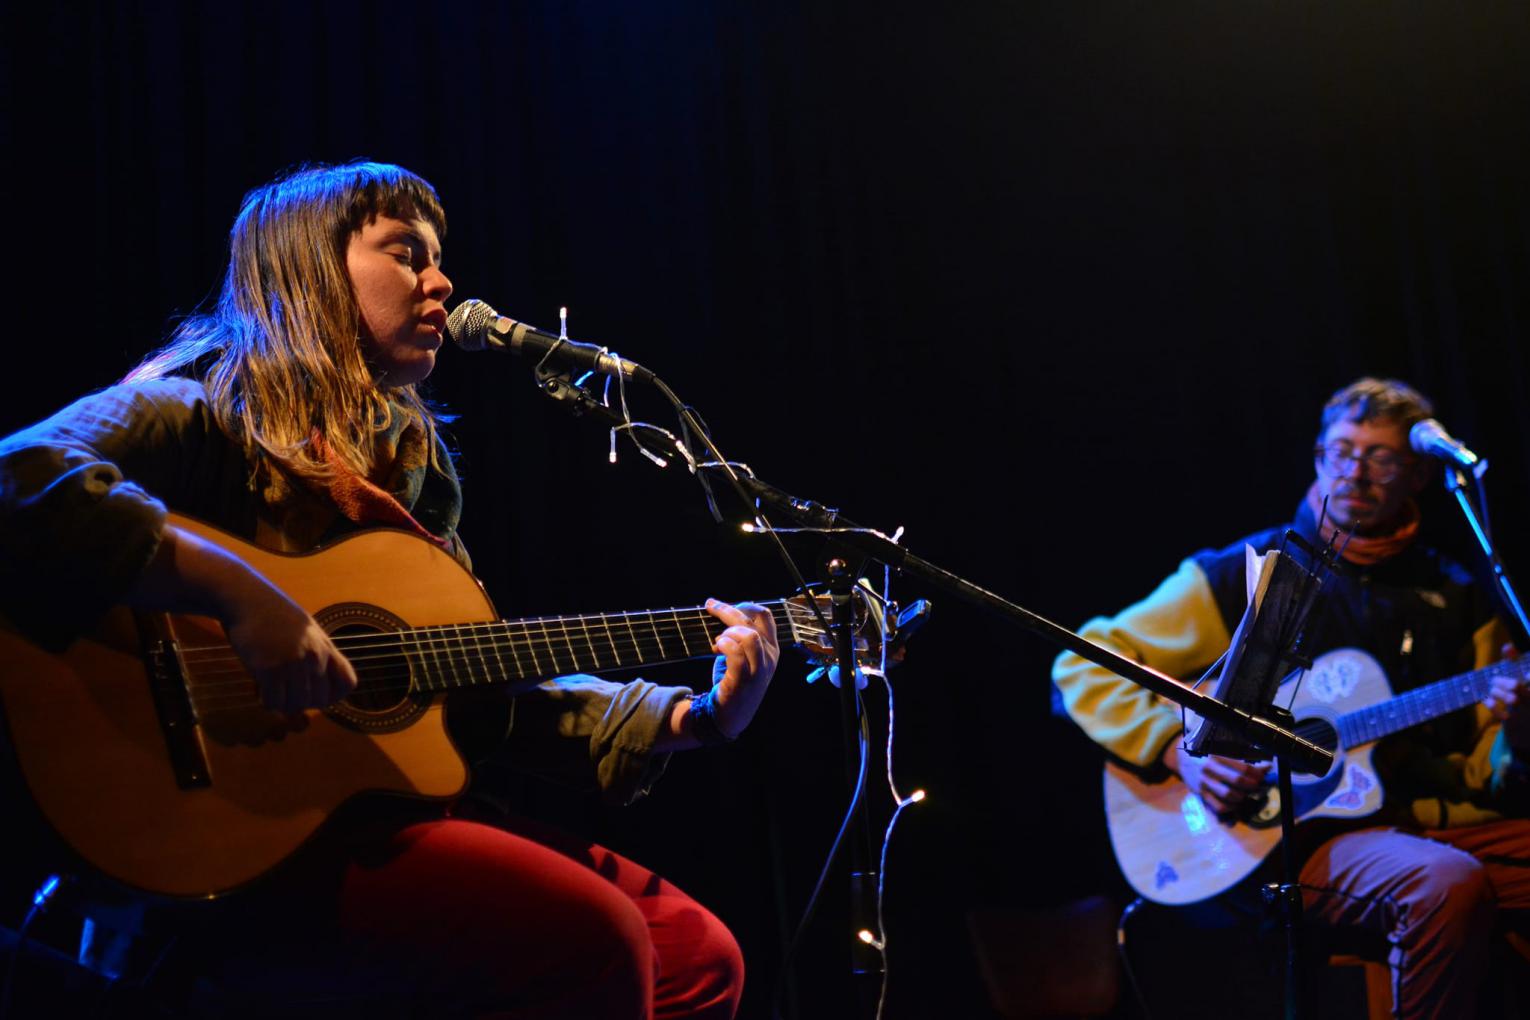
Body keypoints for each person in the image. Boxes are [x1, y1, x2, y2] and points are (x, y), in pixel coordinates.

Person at [0, 161, 778, 1018]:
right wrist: (239, 593)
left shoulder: (413, 487)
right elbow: (20, 472)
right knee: (593, 937)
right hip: (228, 835)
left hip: (366, 820)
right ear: (310, 267)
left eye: (438, 258)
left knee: (698, 961)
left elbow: (481, 697)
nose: (441, 281)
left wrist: (691, 718)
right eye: (407, 253)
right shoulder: (206, 406)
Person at [1053, 378, 1530, 1019]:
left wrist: (1518, 730)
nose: (1356, 470)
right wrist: (1178, 751)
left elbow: (1486, 772)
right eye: (1343, 450)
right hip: (1294, 841)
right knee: (1443, 883)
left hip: (1429, 822)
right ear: (1317, 456)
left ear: (1418, 475)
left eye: (1382, 457)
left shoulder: (1456, 593)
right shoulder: (1248, 571)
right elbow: (1083, 663)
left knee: (1450, 872)